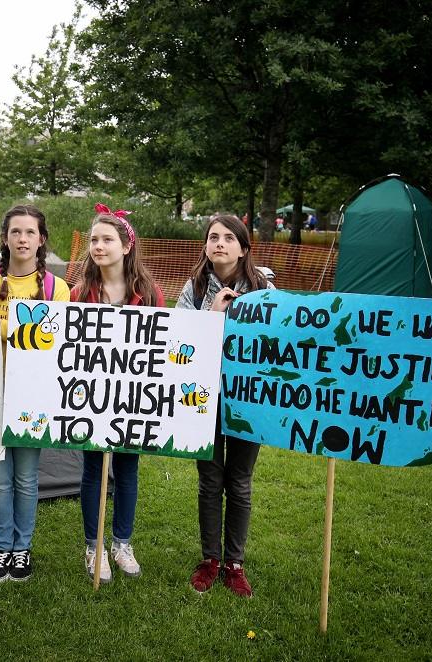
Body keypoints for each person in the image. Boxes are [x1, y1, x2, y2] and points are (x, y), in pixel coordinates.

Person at [0, 204, 69, 582]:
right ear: (5, 238)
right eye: (15, 232)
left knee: (25, 477)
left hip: (33, 396)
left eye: (30, 233)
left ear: (42, 240)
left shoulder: (58, 289)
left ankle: (22, 549)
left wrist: (3, 325)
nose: (23, 239)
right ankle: (1, 547)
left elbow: (54, 342)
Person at [176, 213, 273, 598]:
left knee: (240, 481)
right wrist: (212, 315)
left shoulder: (265, 287)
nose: (219, 243)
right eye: (213, 237)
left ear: (244, 248)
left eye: (229, 238)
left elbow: (275, 341)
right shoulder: (195, 288)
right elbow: (178, 341)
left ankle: (234, 563)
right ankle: (210, 559)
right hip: (204, 397)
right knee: (210, 480)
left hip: (250, 399)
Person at [70, 203, 164, 584]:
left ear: (127, 246)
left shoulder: (150, 293)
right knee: (94, 469)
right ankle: (93, 546)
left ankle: (122, 542)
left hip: (133, 399)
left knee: (127, 468)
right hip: (91, 397)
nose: (98, 245)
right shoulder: (79, 293)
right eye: (93, 239)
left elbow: (163, 346)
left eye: (107, 239)